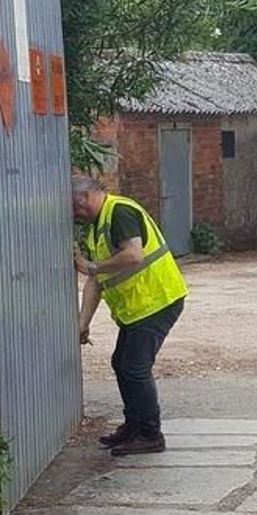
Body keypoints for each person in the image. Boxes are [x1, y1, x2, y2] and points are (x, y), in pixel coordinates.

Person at [71, 176, 188, 456]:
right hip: (139, 307)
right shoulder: (96, 228)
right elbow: (95, 280)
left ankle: (150, 434)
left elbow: (133, 255)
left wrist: (92, 266)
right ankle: (134, 426)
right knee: (122, 363)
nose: (75, 215)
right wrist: (82, 323)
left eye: (74, 208)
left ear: (84, 197)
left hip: (157, 300)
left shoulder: (119, 212)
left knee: (134, 367)